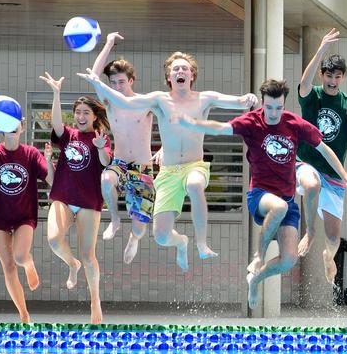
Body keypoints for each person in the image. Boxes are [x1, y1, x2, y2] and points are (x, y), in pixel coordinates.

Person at [175, 79, 347, 310]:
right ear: (263, 104)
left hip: (287, 200)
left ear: (284, 104)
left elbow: (324, 149)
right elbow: (219, 128)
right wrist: (191, 123)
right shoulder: (252, 122)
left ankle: (255, 280)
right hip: (260, 195)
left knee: (288, 260)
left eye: (279, 107)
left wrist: (346, 178)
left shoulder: (293, 123)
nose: (274, 113)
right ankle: (258, 256)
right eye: (269, 108)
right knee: (279, 207)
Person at [77, 53, 258, 270]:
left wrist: (248, 98)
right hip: (169, 171)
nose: (180, 71)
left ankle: (202, 243)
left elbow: (237, 102)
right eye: (175, 69)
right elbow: (124, 100)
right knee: (161, 236)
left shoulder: (204, 98)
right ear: (169, 77)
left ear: (192, 75)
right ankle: (182, 242)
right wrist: (98, 83)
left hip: (195, 166)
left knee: (194, 184)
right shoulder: (159, 100)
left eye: (184, 69)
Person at [295, 28, 347, 288]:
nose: (333, 81)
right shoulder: (313, 96)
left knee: (334, 235)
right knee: (311, 183)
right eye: (329, 75)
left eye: (337, 77)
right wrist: (321, 49)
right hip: (305, 162)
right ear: (322, 75)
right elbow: (304, 83)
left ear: (342, 78)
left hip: (334, 174)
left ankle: (329, 254)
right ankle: (309, 231)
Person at [40, 73, 111, 324]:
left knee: (89, 254)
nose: (81, 117)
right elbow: (57, 125)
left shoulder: (100, 139)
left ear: (94, 116)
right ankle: (72, 264)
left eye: (85, 113)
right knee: (54, 240)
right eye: (78, 112)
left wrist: (102, 147)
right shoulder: (68, 135)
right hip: (62, 196)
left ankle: (95, 301)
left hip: (89, 202)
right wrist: (57, 94)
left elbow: (106, 163)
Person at [88, 32, 155, 264]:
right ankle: (114, 219)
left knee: (139, 226)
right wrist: (108, 42)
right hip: (119, 164)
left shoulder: (145, 103)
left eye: (121, 82)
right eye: (113, 83)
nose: (117, 86)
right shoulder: (110, 103)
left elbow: (170, 122)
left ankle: (134, 238)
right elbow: (93, 76)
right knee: (107, 179)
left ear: (131, 80)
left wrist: (166, 148)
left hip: (143, 168)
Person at [0, 112, 52, 323]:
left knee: (20, 257)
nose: (12, 127)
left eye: (16, 123)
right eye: (7, 124)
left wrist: (48, 161)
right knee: (9, 267)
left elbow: (49, 178)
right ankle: (23, 313)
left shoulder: (30, 153)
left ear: (23, 126)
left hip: (24, 217)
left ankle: (29, 264)